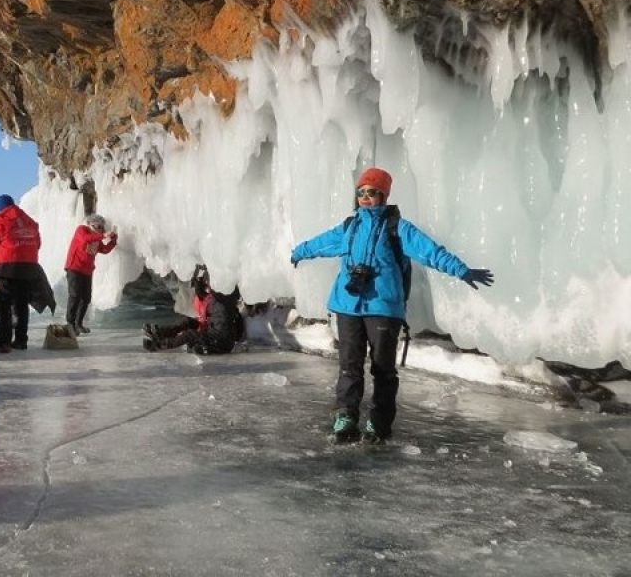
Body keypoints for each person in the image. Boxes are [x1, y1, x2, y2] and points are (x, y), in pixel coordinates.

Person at [290, 167, 494, 445]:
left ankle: (379, 421)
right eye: (361, 192)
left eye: (371, 192)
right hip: (347, 305)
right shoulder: (350, 226)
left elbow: (430, 251)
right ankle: (345, 417)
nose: (365, 197)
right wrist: (299, 252)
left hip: (384, 306)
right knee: (349, 366)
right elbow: (322, 243)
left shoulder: (397, 227)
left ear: (383, 195)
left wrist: (461, 270)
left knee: (382, 368)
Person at [0, 194, 55, 353]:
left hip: (7, 267)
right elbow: (38, 244)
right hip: (29, 267)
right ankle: (21, 340)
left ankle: (4, 341)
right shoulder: (30, 222)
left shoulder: (0, 219)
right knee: (21, 304)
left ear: (0, 207)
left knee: (4, 304)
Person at [143, 265, 244, 355]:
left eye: (207, 285)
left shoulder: (218, 300)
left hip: (218, 340)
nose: (207, 288)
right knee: (189, 322)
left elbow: (210, 318)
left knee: (190, 334)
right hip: (217, 336)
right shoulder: (221, 300)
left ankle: (159, 345)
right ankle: (160, 333)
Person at [63, 213, 117, 335]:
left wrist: (113, 240)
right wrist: (103, 235)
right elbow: (84, 239)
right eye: (99, 226)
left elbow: (104, 250)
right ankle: (70, 323)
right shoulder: (82, 230)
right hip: (74, 268)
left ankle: (79, 323)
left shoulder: (96, 238)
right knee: (75, 295)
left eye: (102, 227)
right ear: (92, 225)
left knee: (86, 298)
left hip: (87, 271)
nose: (101, 229)